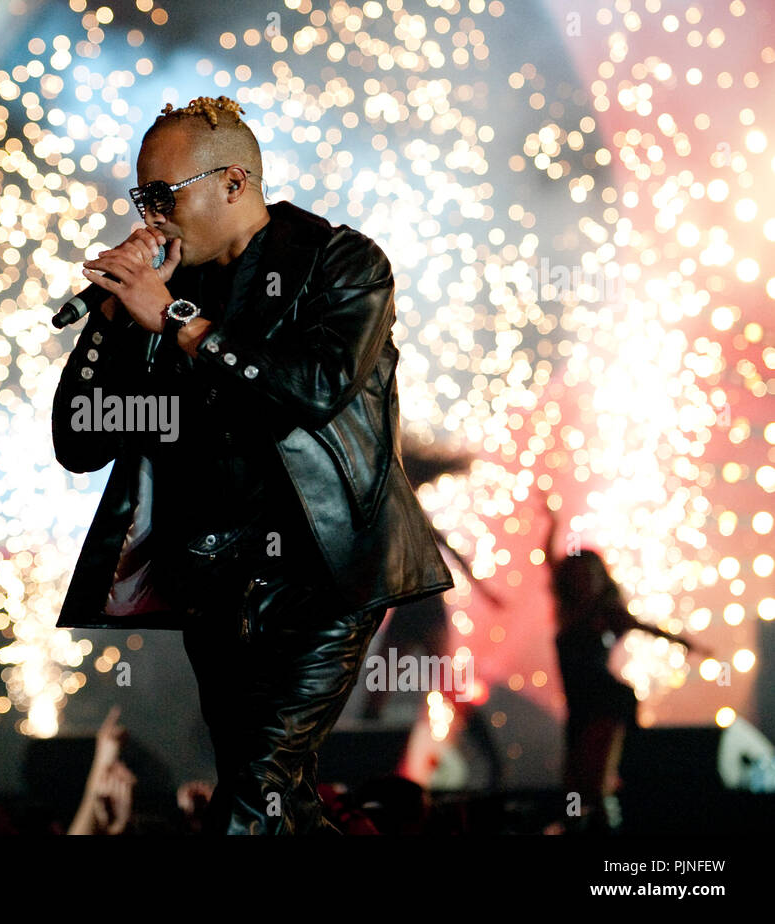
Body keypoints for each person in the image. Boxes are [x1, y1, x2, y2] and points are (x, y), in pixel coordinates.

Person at [51, 95, 453, 834]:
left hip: (327, 573)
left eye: (163, 195)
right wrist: (110, 321)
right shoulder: (167, 288)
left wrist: (176, 322)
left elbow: (310, 390)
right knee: (274, 797)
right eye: (141, 197)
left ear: (233, 183)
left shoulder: (343, 264)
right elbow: (80, 440)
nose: (151, 216)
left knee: (256, 785)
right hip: (215, 580)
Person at [541, 495, 710, 832]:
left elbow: (646, 627)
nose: (582, 580)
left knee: (595, 782)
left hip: (605, 702)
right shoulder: (571, 612)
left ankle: (611, 837)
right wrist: (553, 523)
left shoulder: (607, 614)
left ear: (600, 579)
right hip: (580, 706)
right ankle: (588, 829)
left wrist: (686, 643)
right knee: (575, 784)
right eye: (577, 574)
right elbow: (550, 561)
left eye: (589, 574)